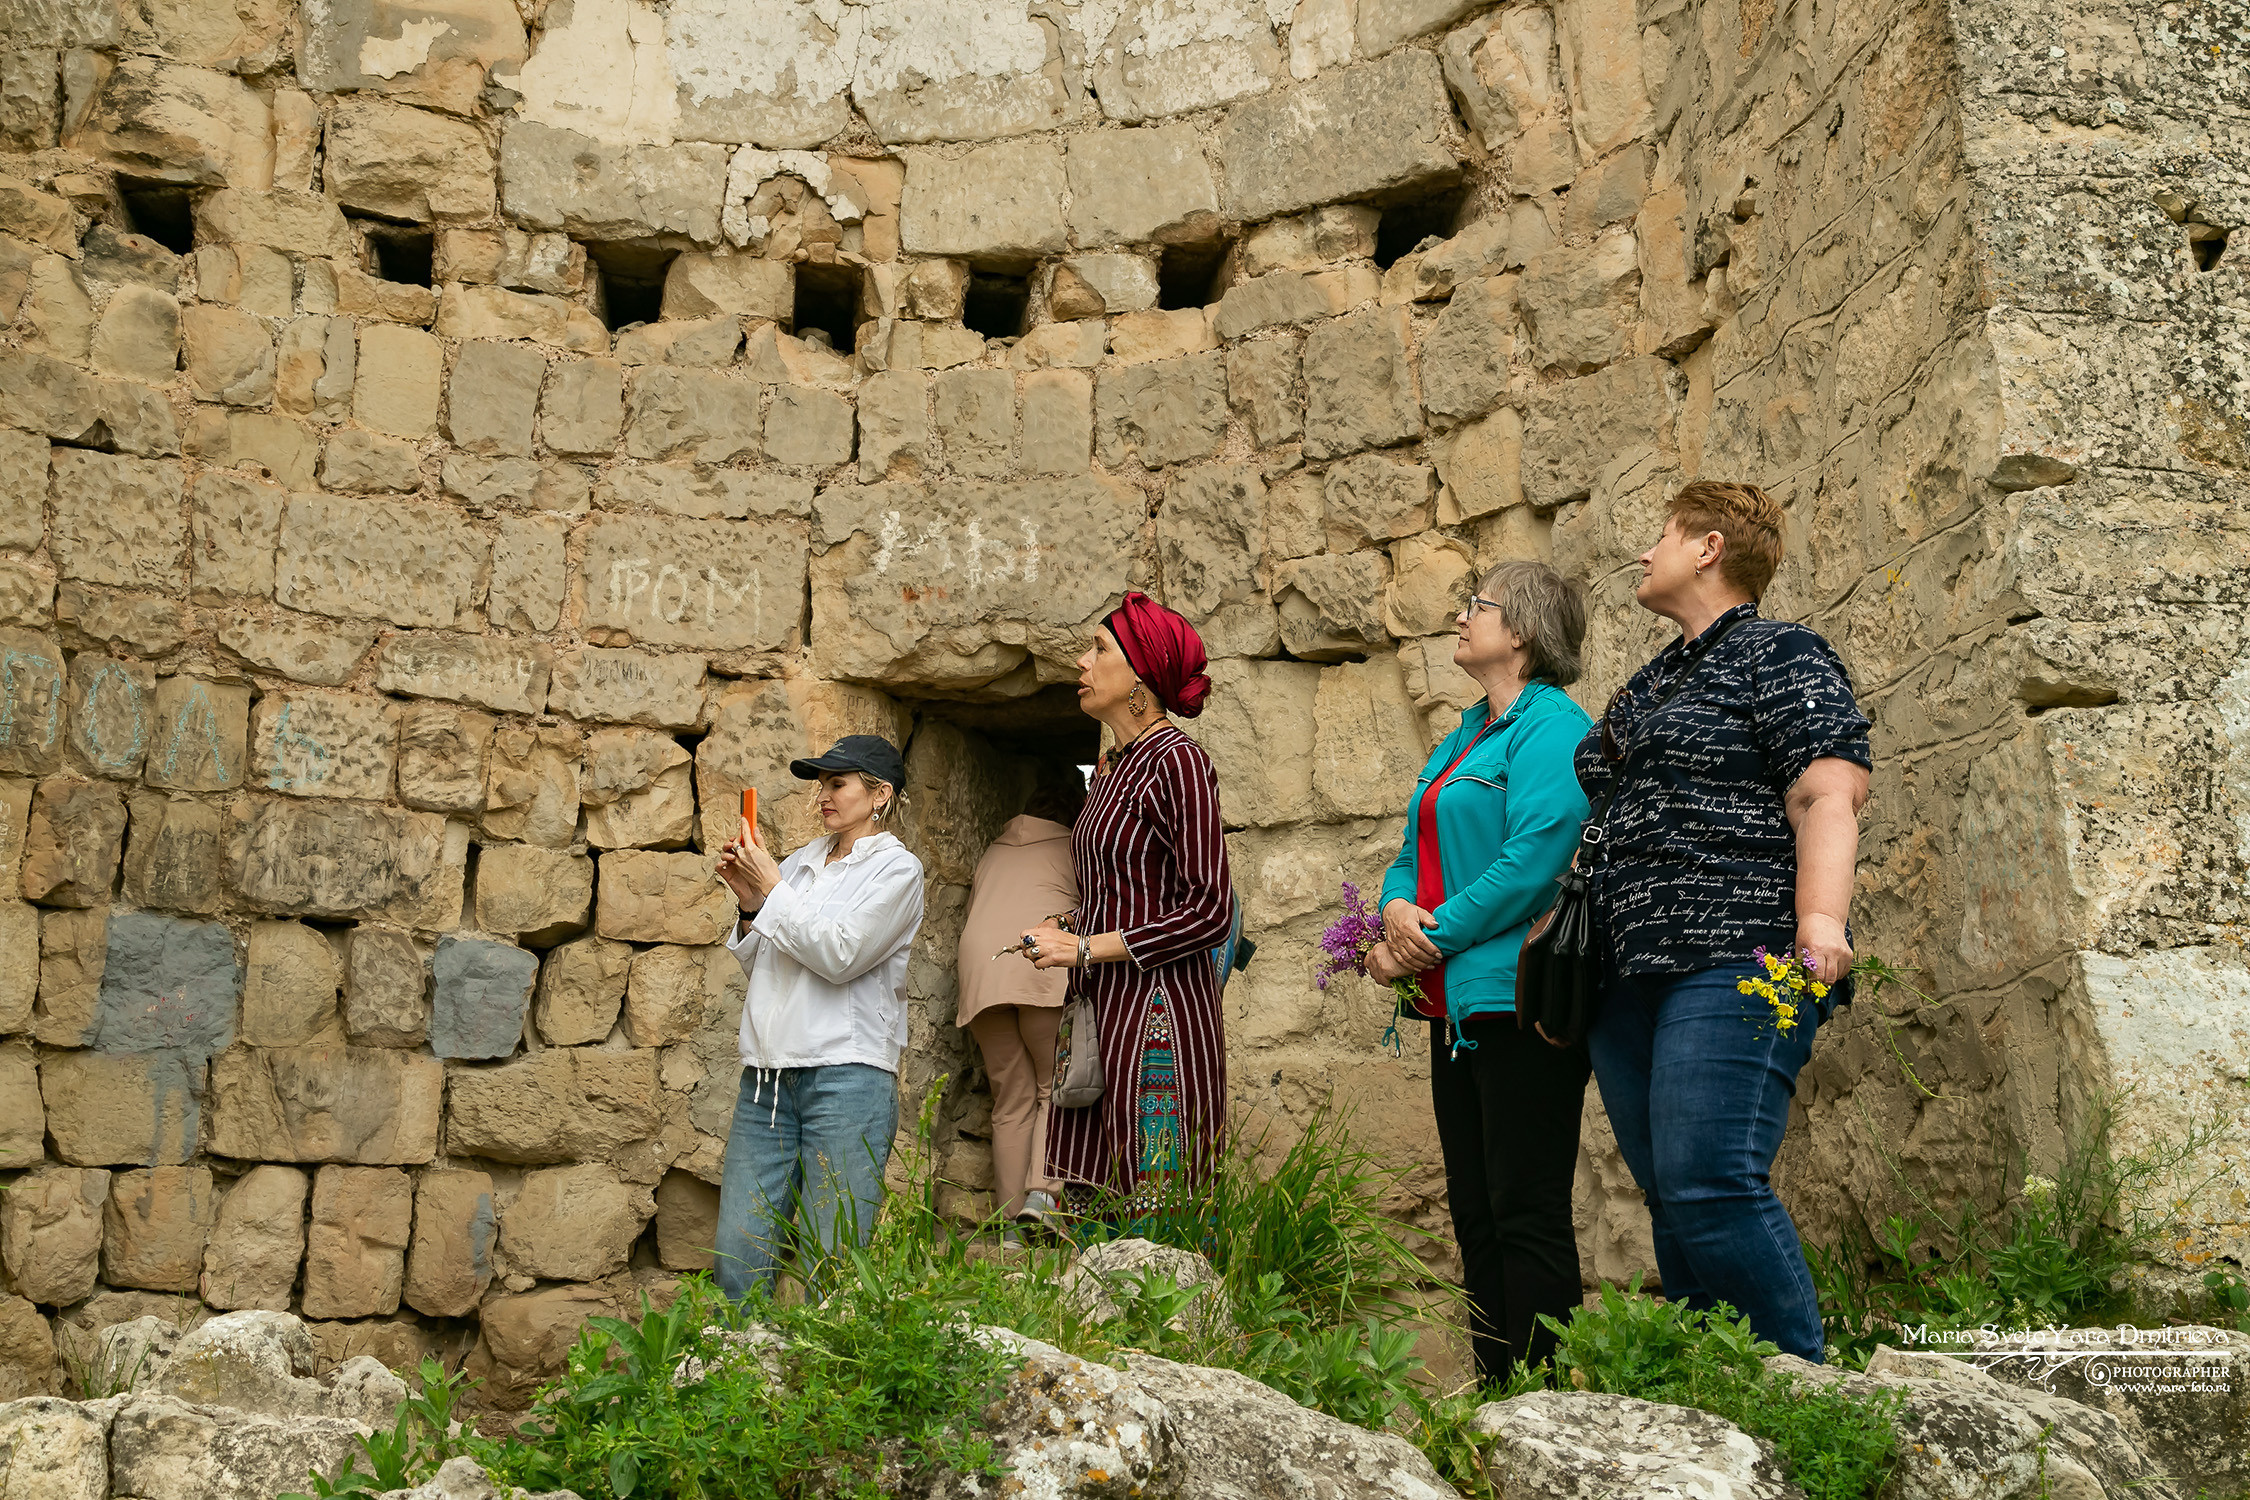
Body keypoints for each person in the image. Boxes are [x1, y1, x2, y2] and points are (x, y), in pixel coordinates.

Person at [1572, 480, 1871, 1361]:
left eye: (1661, 534)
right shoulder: (1657, 677)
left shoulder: (1782, 654)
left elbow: (1828, 790)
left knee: (1712, 1180)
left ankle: (1804, 1392)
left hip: (1735, 955)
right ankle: (1724, 1401)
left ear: (1708, 547)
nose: (1643, 552)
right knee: (1671, 1189)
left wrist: (1821, 924)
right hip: (1629, 974)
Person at [1365, 561, 1595, 1384]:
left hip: (1520, 1001)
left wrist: (1432, 938)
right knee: (1476, 1213)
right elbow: (1408, 849)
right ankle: (1500, 1401)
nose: (1461, 619)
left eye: (1478, 606)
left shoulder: (1554, 728)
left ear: (1524, 631)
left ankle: (1548, 1403)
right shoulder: (1465, 732)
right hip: (1458, 1006)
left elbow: (1534, 860)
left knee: (1525, 1211)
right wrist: (1395, 914)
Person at [1015, 592, 1233, 1219]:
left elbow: (1209, 909)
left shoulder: (1179, 762)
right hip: (1100, 1010)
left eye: (1099, 649)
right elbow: (1126, 895)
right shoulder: (1112, 769)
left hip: (1158, 1015)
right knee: (1095, 1199)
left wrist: (1083, 948)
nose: (1082, 664)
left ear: (1140, 678)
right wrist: (1068, 925)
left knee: (1158, 1209)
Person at [710, 734, 926, 1298]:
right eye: (820, 784)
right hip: (767, 1076)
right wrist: (750, 902)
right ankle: (736, 1377)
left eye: (837, 783)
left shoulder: (898, 870)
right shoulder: (800, 863)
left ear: (880, 794)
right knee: (737, 1254)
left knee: (829, 1258)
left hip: (846, 1075)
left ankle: (822, 1379)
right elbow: (765, 961)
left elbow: (840, 955)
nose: (822, 796)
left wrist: (773, 890)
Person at [956, 768, 1085, 1241]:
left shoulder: (994, 848)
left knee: (1009, 1100)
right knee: (1055, 1086)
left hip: (983, 971)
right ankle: (1043, 1197)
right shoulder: (1075, 846)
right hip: (1038, 964)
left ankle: (1010, 1228)